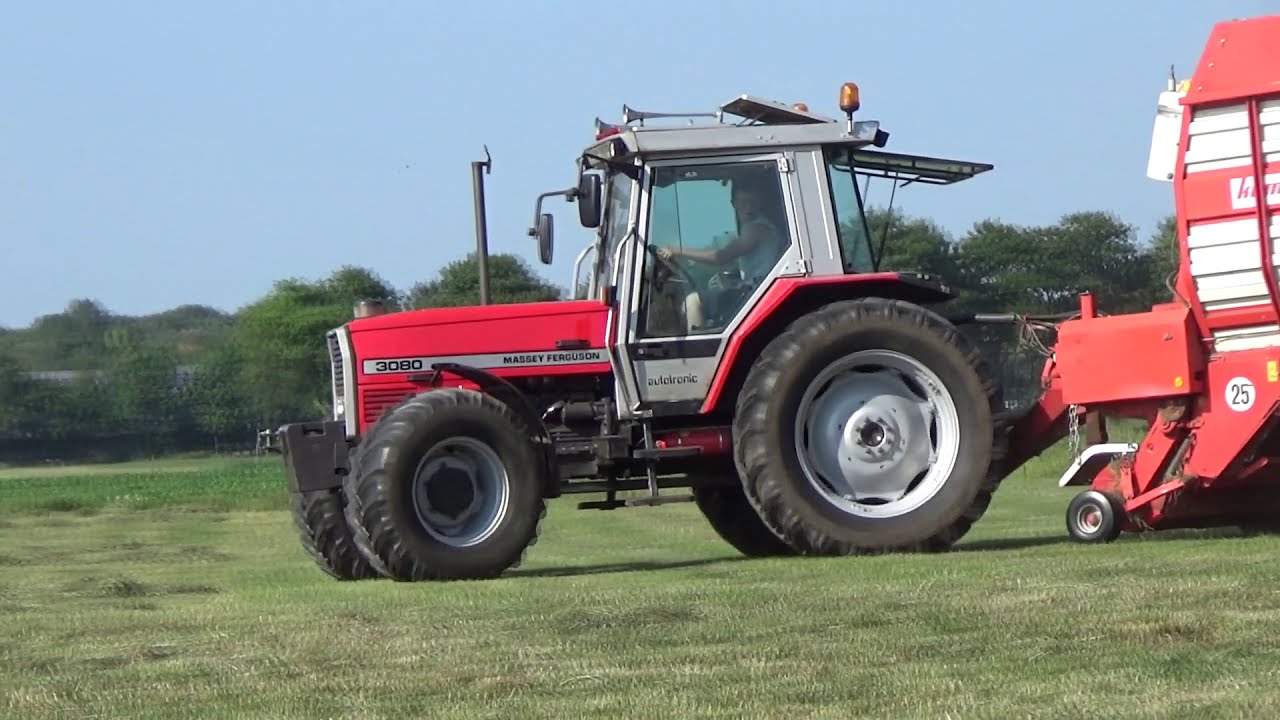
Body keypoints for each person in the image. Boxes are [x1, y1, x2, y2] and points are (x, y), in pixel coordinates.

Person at [653, 179, 787, 331]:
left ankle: (699, 345)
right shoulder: (753, 228)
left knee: (693, 301)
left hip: (759, 291)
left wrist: (678, 250)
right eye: (743, 202)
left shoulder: (756, 228)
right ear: (733, 203)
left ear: (760, 203)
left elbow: (720, 257)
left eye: (753, 202)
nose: (748, 208)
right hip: (755, 287)